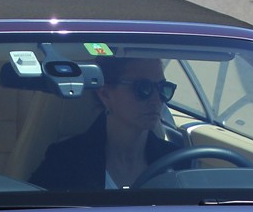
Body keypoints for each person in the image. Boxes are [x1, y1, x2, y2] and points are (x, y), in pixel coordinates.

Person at [31, 57, 179, 191]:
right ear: (105, 94)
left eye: (163, 88)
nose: (156, 100)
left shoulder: (178, 160)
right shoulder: (64, 161)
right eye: (143, 88)